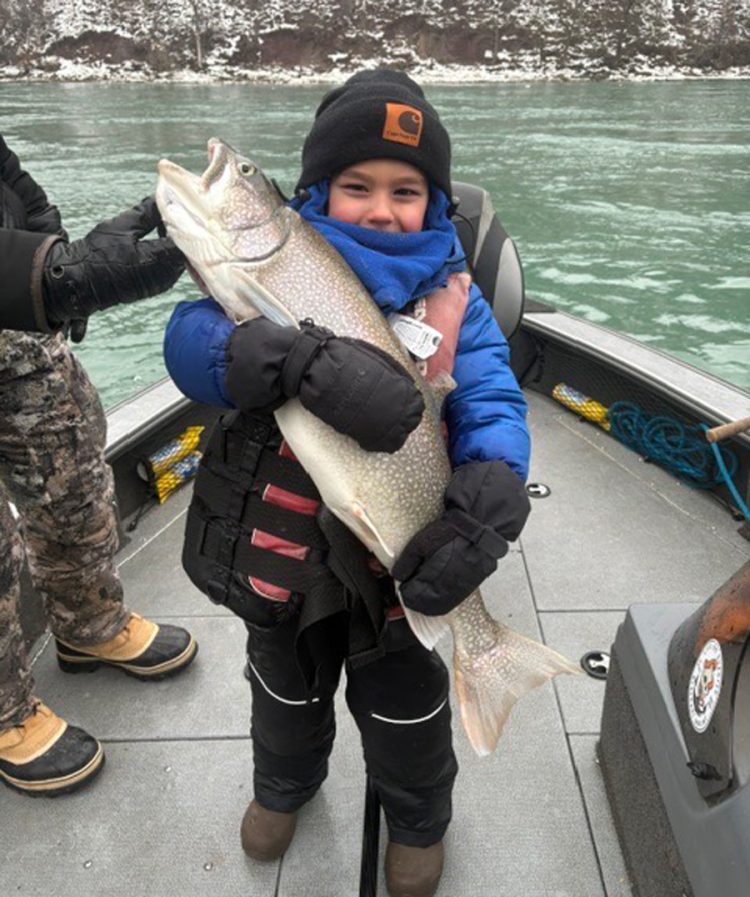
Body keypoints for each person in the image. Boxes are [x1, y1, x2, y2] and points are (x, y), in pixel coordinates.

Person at [163, 69, 531, 897]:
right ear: (313, 193)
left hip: (399, 572)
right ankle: (284, 788)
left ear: (434, 205)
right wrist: (253, 357)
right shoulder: (258, 268)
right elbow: (188, 340)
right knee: (283, 702)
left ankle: (420, 820)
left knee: (409, 714)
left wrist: (497, 483)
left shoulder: (454, 300)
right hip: (285, 571)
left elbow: (493, 398)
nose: (380, 205)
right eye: (355, 185)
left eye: (405, 190)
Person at [0, 135, 198, 798]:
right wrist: (46, 277)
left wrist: (53, 253)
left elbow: (14, 187)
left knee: (72, 467)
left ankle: (88, 626)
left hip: (13, 328)